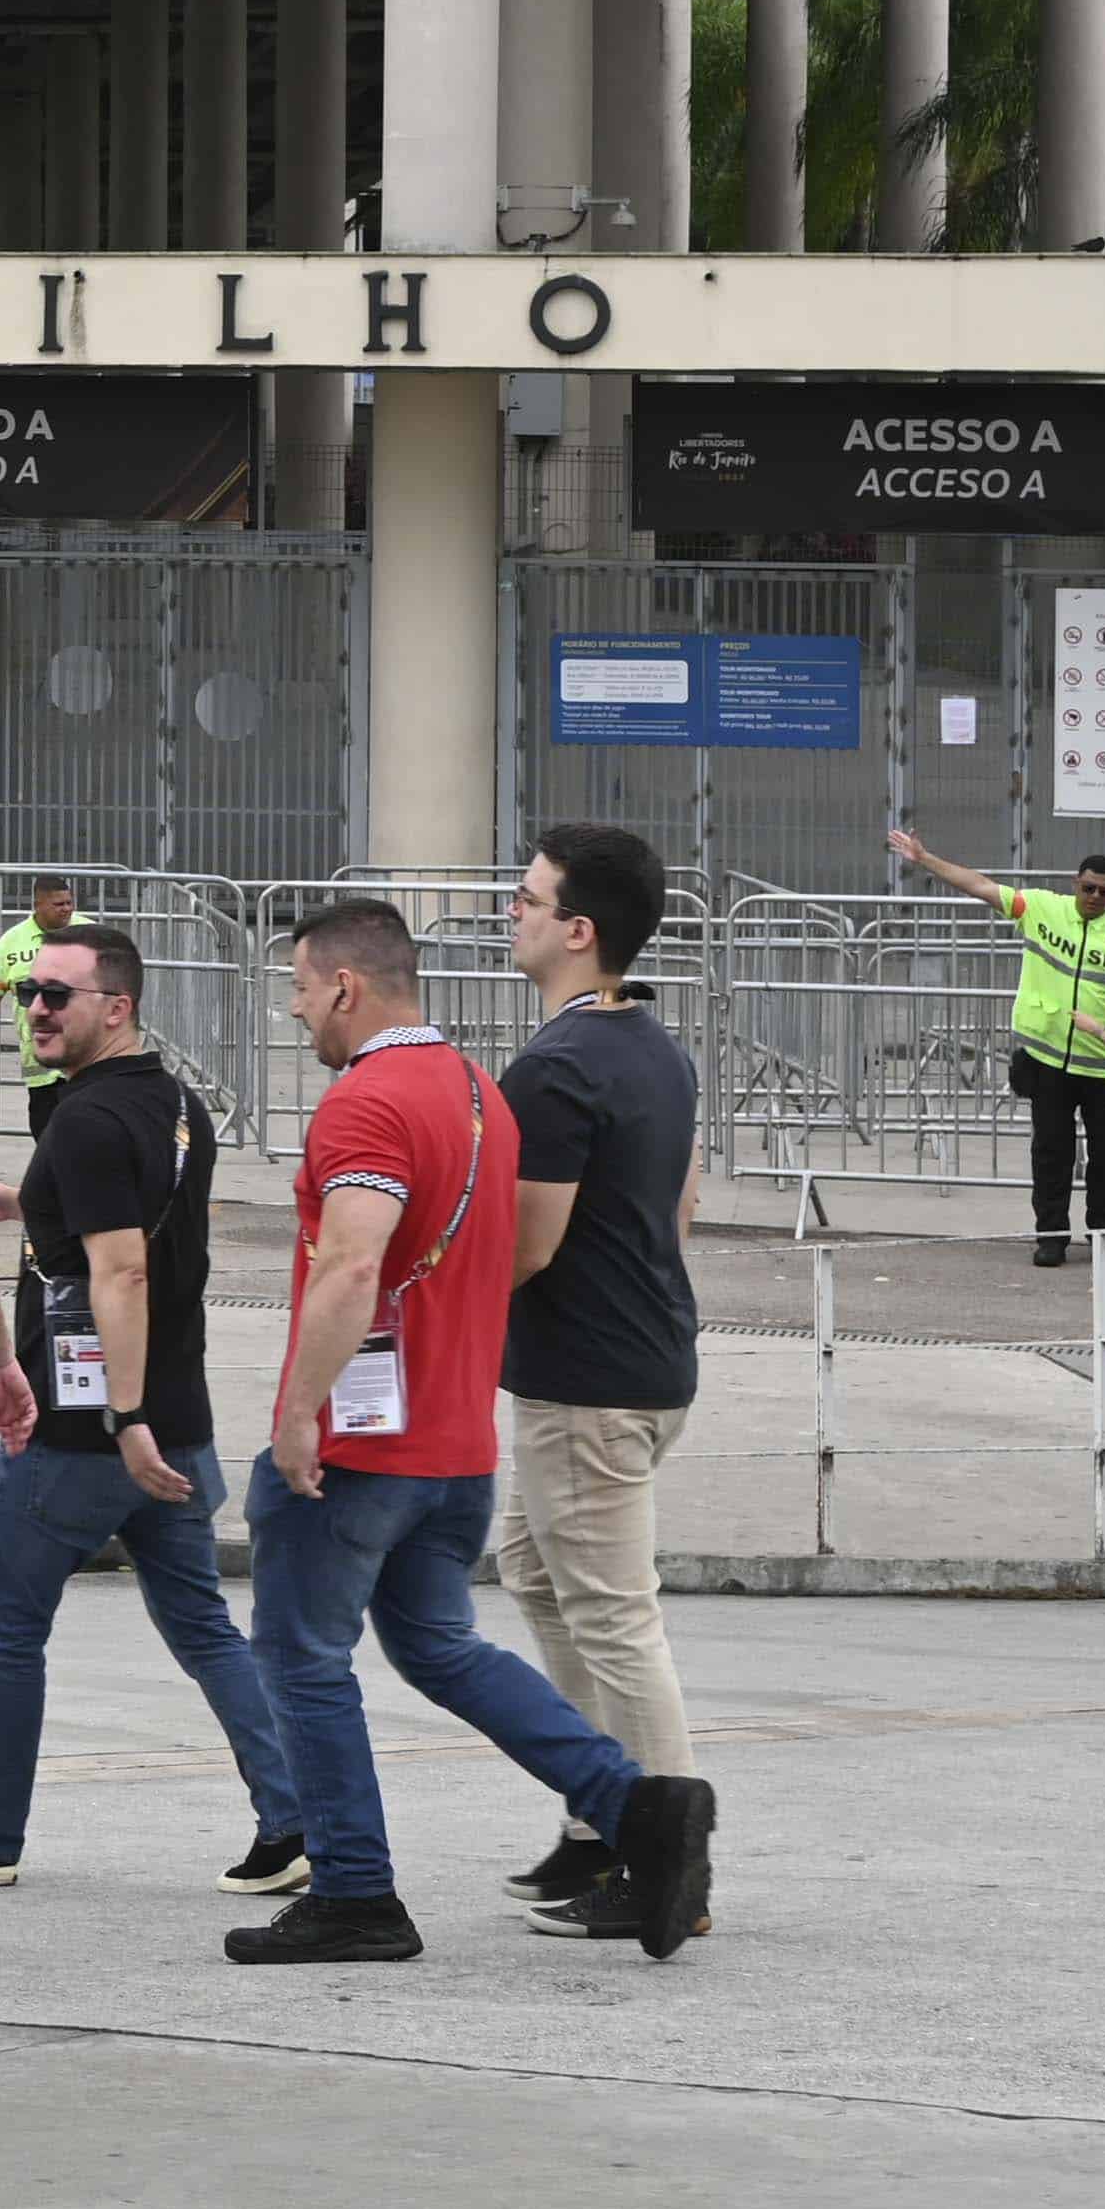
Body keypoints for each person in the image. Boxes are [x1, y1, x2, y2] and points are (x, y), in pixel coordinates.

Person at [225, 898, 717, 1966]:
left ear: (347, 987)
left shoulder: (367, 1103)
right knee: (440, 1645)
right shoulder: (482, 1092)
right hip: (459, 1442)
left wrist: (299, 1414)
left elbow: (354, 1265)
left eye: (301, 989)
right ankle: (637, 1805)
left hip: (367, 1448)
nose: (297, 1009)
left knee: (302, 1656)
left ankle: (355, 1892)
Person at [0, 919, 304, 1897]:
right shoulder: (173, 1102)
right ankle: (296, 1813)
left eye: (57, 994)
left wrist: (123, 1418)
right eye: (26, 993)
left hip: (90, 1425)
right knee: (204, 1627)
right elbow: (138, 1221)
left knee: (8, 1626)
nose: (35, 1009)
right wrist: (28, 1202)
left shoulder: (88, 1121)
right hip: (176, 1414)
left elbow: (124, 1268)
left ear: (117, 1005)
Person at [488, 823, 707, 1940]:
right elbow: (680, 1206)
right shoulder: (651, 1043)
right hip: (644, 1360)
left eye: (527, 899)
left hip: (590, 1379)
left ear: (579, 929)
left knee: (617, 1619)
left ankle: (666, 1858)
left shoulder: (559, 1065)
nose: (510, 912)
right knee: (534, 1568)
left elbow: (526, 1245)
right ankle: (596, 1816)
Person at [888, 825, 1105, 1268]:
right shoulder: (1043, 909)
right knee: (1051, 1152)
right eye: (1089, 888)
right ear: (1074, 883)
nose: (1095, 898)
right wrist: (925, 859)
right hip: (1046, 1059)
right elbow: (981, 886)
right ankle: (1051, 1237)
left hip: (1103, 1066)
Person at [0, 875, 79, 1084]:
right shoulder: (10, 943)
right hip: (39, 1060)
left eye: (69, 903)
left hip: (82, 1058)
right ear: (38, 905)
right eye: (58, 904)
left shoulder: (89, 933)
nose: (66, 909)